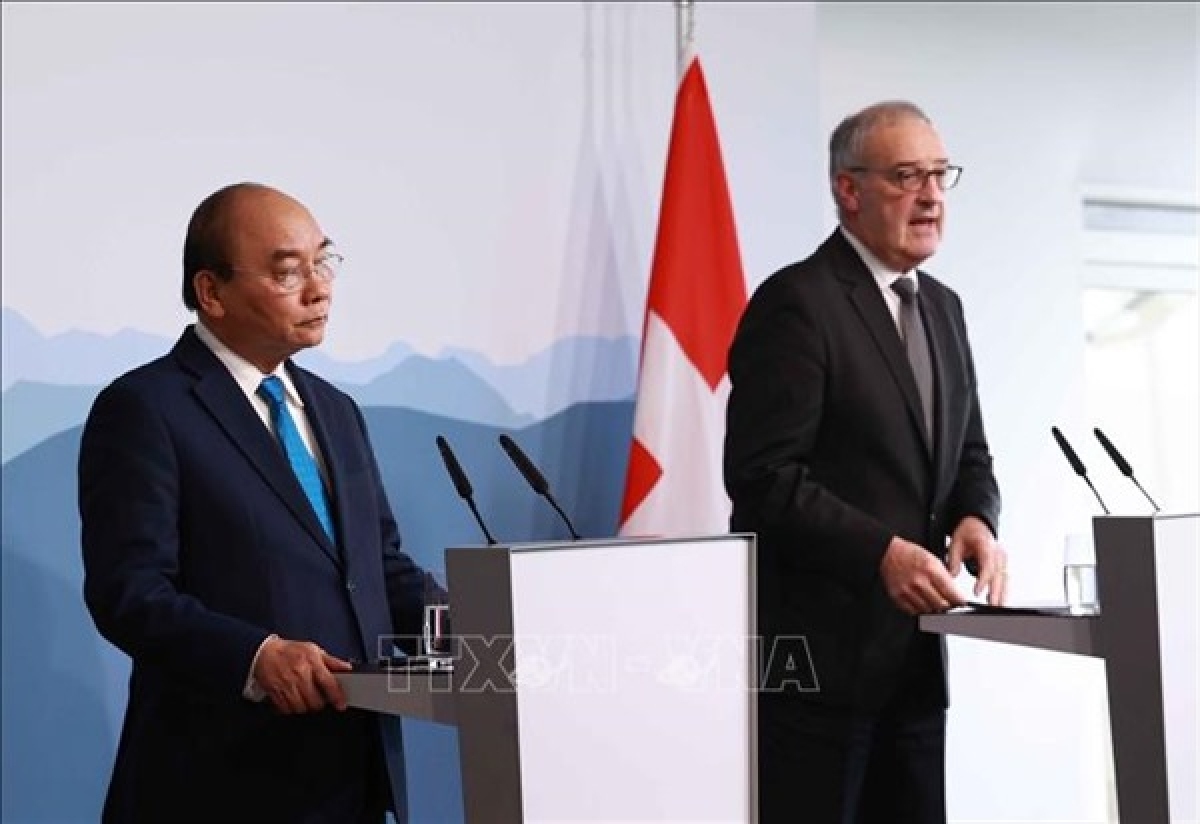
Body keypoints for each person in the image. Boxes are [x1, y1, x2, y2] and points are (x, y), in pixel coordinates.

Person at [78, 182, 444, 824]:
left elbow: (378, 572)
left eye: (323, 262)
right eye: (288, 272)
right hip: (218, 784)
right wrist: (256, 657)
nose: (320, 288)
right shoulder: (146, 408)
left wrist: (495, 622)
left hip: (349, 779)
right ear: (211, 291)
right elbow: (130, 593)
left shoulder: (336, 410)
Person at [723, 101, 1008, 824]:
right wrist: (881, 553)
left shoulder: (945, 307)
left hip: (915, 669)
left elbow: (968, 450)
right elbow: (762, 479)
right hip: (816, 677)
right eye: (907, 176)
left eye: (940, 174)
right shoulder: (798, 304)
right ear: (848, 190)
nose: (932, 195)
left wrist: (977, 516)